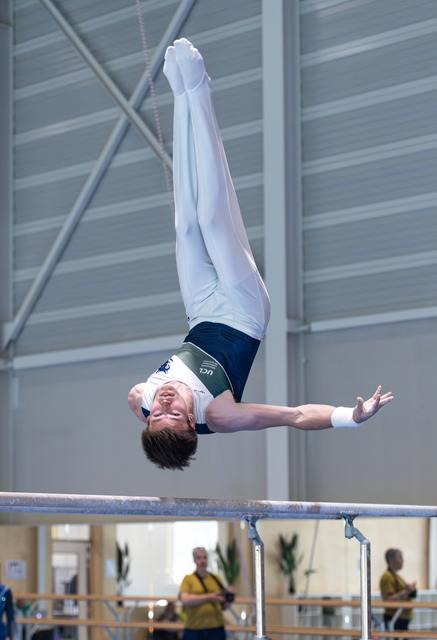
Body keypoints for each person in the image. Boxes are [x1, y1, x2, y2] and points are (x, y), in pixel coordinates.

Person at [127, 38, 394, 470]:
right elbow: (293, 415)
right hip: (243, 313)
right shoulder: (221, 414)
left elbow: (143, 400)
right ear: (193, 424)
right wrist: (351, 417)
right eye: (174, 414)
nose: (165, 402)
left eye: (157, 414)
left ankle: (180, 95)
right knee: (213, 220)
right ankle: (198, 87)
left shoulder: (140, 400)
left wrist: (151, 409)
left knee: (186, 225)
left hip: (200, 313)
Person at [179, 547, 233, 640]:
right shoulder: (188, 579)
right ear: (194, 560)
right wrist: (210, 597)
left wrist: (229, 598)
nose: (202, 561)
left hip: (216, 628)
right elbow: (185, 599)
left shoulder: (216, 578)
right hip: (194, 629)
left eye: (204, 557)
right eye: (199, 558)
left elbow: (224, 605)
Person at [380, 548, 416, 633]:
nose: (403, 560)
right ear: (391, 559)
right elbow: (388, 600)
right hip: (395, 619)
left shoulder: (396, 576)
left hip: (401, 617)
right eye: (400, 557)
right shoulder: (387, 577)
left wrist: (409, 590)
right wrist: (407, 591)